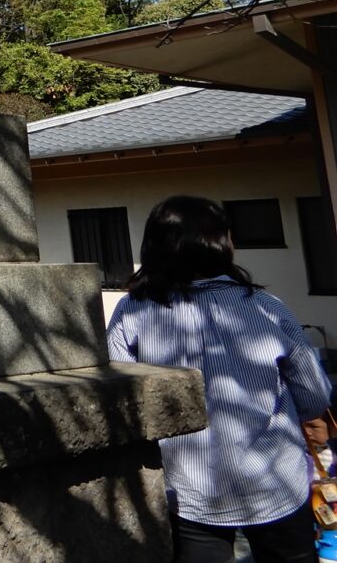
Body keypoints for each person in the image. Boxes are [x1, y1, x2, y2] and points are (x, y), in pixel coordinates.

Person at [107, 195, 332, 563]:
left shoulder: (132, 311)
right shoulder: (266, 307)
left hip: (190, 489)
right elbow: (313, 397)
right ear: (222, 244)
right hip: (275, 482)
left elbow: (124, 399)